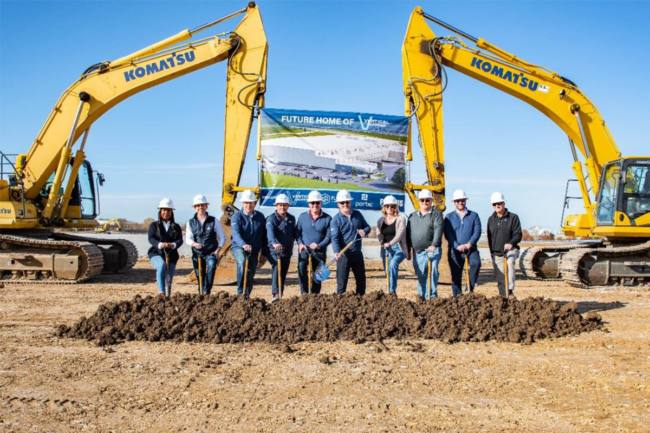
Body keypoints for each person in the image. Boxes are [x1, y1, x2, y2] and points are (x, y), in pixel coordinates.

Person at [330, 190, 370, 295]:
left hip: (357, 254)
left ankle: (361, 304)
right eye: (342, 203)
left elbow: (367, 227)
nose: (345, 205)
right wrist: (336, 251)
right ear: (338, 204)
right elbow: (334, 238)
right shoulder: (336, 220)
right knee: (341, 285)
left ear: (350, 202)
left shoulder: (357, 214)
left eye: (347, 202)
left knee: (361, 283)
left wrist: (364, 231)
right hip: (344, 255)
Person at [444, 189, 482, 297]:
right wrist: (457, 246)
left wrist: (469, 244)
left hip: (471, 249)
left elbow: (477, 231)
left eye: (462, 200)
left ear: (465, 200)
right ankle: (457, 297)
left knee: (476, 264)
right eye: (458, 201)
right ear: (454, 202)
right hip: (454, 251)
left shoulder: (474, 215)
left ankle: (469, 289)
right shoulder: (449, 217)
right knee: (456, 275)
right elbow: (448, 234)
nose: (460, 202)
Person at [406, 190, 444, 300]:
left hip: (432, 250)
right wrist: (408, 249)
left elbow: (438, 230)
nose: (425, 202)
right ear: (419, 201)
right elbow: (408, 234)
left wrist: (434, 245)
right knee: (421, 275)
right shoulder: (412, 216)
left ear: (431, 201)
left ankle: (431, 298)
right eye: (422, 200)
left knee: (432, 273)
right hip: (418, 252)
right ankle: (421, 297)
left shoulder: (436, 215)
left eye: (427, 200)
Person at [186, 194, 226, 295]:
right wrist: (194, 244)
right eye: (198, 205)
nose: (200, 207)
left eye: (202, 205)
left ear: (206, 206)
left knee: (212, 265)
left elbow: (222, 237)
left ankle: (206, 290)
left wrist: (217, 251)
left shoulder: (214, 221)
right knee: (200, 273)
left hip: (210, 252)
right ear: (195, 208)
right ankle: (201, 291)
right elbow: (188, 239)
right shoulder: (191, 223)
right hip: (197, 253)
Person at [231, 189, 267, 298]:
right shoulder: (237, 217)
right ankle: (240, 293)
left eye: (251, 202)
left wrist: (264, 251)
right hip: (239, 247)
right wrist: (243, 244)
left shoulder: (260, 217)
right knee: (242, 263)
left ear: (254, 203)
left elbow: (263, 235)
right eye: (246, 202)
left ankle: (247, 295)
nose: (248, 205)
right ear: (242, 203)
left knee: (251, 272)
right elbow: (236, 233)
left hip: (254, 249)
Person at [487, 192, 522, 299]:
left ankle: (510, 291)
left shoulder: (513, 217)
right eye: (494, 204)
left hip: (511, 250)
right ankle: (503, 296)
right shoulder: (491, 219)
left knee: (510, 262)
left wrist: (511, 244)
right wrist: (492, 253)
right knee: (500, 276)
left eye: (499, 203)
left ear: (504, 203)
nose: (497, 205)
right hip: (497, 252)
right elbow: (489, 237)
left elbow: (518, 234)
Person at [296, 190, 331, 295]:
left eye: (317, 202)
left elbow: (329, 236)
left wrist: (319, 245)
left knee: (317, 275)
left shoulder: (328, 218)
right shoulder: (302, 217)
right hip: (305, 249)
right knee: (301, 267)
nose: (315, 205)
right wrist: (300, 243)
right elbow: (297, 232)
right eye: (312, 203)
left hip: (319, 251)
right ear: (308, 204)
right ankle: (304, 293)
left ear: (321, 203)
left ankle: (315, 295)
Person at [148, 198, 183, 297]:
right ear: (160, 211)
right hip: (156, 253)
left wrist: (173, 245)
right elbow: (151, 238)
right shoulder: (154, 225)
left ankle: (167, 296)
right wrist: (160, 244)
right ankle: (161, 292)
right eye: (164, 210)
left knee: (169, 276)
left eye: (168, 210)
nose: (166, 212)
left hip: (171, 255)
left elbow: (180, 240)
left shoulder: (176, 227)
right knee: (162, 265)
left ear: (172, 212)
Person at [266, 194, 296, 302]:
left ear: (288, 206)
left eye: (284, 205)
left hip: (287, 251)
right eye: (280, 205)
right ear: (276, 206)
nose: (282, 207)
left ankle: (279, 295)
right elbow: (270, 233)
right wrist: (274, 243)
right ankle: (275, 293)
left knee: (283, 273)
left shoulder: (292, 219)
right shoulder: (271, 219)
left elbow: (294, 233)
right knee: (277, 267)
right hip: (273, 250)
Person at [377, 195, 409, 296]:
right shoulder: (381, 220)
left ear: (395, 208)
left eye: (392, 206)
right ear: (384, 208)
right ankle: (389, 293)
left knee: (393, 264)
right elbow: (379, 233)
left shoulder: (400, 219)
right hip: (385, 249)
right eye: (387, 206)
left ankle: (392, 291)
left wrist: (390, 243)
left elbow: (400, 234)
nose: (390, 208)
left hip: (398, 248)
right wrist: (382, 241)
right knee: (387, 271)